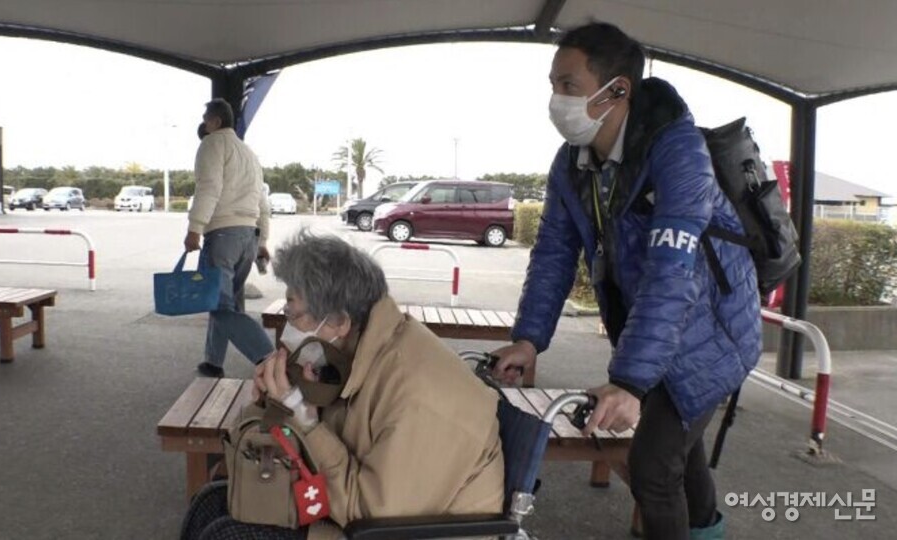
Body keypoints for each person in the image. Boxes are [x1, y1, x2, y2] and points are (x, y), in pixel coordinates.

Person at [491, 23, 761, 539]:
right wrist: (529, 339)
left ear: (617, 90)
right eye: (553, 85)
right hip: (656, 330)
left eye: (568, 85)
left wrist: (631, 382)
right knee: (680, 454)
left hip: (713, 333)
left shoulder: (677, 152)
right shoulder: (572, 162)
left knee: (653, 468)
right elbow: (553, 253)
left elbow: (671, 271)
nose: (556, 100)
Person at [182, 231, 504, 540]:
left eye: (293, 314)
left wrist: (304, 419)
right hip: (359, 512)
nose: (288, 327)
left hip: (389, 530)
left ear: (338, 321)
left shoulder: (418, 397)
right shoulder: (359, 351)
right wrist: (286, 398)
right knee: (211, 503)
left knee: (227, 534)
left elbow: (371, 517)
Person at [185, 98, 274, 378]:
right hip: (248, 237)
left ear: (215, 121)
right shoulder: (248, 153)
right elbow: (263, 203)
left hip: (223, 234)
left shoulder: (212, 143)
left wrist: (194, 228)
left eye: (205, 119)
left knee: (218, 304)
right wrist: (262, 242)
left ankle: (270, 357)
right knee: (226, 303)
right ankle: (213, 362)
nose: (204, 124)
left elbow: (208, 187)